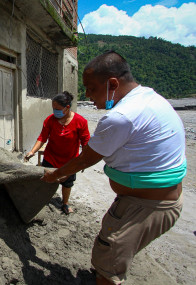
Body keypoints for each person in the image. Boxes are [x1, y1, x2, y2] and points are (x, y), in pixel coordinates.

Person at [41, 51, 186, 284]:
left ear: (113, 84)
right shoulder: (150, 98)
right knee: (110, 253)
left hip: (144, 206)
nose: (87, 95)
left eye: (90, 88)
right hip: (154, 200)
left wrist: (54, 175)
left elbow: (85, 159)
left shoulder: (121, 117)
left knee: (108, 261)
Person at [25, 91, 90, 215]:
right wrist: (32, 151)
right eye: (53, 109)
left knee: (67, 183)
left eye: (57, 109)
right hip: (51, 158)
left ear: (67, 108)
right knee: (47, 180)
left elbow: (85, 143)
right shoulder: (50, 120)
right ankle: (43, 201)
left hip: (70, 161)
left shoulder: (80, 122)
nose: (55, 111)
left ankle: (65, 203)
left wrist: (84, 162)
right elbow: (42, 138)